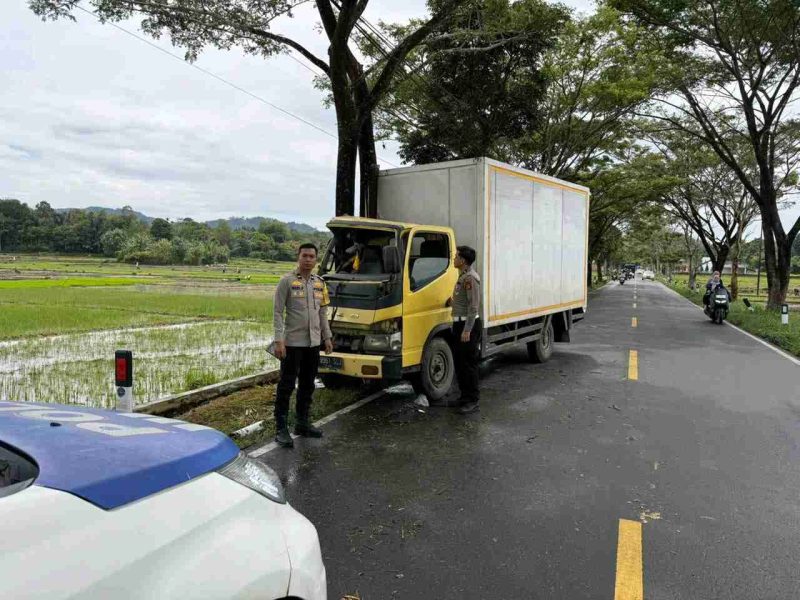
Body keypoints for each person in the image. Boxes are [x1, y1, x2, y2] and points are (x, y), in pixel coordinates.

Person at [272, 243, 334, 448]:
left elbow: (323, 313)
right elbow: (278, 313)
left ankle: (302, 423)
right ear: (298, 257)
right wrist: (279, 340)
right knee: (287, 385)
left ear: (316, 259)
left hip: (313, 343)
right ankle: (281, 428)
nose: (308, 259)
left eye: (312, 256)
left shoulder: (319, 283)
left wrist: (327, 337)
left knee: (308, 384)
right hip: (292, 343)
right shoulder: (286, 282)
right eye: (304, 255)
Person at [451, 245, 482, 414]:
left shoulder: (470, 278)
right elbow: (462, 301)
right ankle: (464, 397)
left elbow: (473, 306)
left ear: (462, 260)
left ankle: (473, 400)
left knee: (469, 364)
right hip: (459, 324)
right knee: (460, 363)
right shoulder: (462, 276)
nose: (454, 258)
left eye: (456, 256)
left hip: (467, 326)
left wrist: (467, 330)